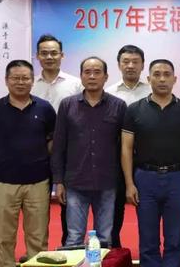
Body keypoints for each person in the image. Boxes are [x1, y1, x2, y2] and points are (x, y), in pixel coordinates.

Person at [122, 59, 180, 267]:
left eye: (167, 74)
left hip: (177, 179)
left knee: (174, 239)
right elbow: (126, 148)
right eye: (157, 74)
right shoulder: (134, 110)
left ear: (175, 79)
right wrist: (129, 183)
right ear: (149, 79)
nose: (162, 78)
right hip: (145, 179)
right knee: (148, 241)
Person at [0, 60, 56, 267]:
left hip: (38, 183)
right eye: (15, 78)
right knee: (4, 240)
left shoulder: (45, 108)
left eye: (25, 78)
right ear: (6, 80)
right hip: (3, 183)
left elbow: (52, 145)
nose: (20, 82)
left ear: (32, 81)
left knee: (38, 240)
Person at [51, 57, 126, 247]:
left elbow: (125, 147)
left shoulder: (118, 106)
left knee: (105, 239)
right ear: (81, 76)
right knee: (74, 237)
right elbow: (59, 145)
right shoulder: (67, 105)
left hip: (107, 182)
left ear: (106, 76)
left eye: (97, 72)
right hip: (75, 182)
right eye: (87, 72)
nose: (92, 76)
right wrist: (58, 181)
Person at [32, 34, 82, 247]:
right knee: (37, 206)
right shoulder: (30, 85)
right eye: (44, 53)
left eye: (54, 53)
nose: (49, 57)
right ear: (37, 56)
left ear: (62, 55)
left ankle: (68, 247)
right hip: (37, 153)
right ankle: (38, 249)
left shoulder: (76, 84)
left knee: (67, 204)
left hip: (67, 154)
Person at [106, 45, 151, 248]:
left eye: (135, 62)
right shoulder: (108, 93)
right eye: (126, 62)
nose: (130, 66)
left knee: (148, 207)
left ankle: (148, 249)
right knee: (115, 207)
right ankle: (113, 249)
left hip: (146, 158)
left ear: (142, 65)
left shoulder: (152, 91)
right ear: (119, 65)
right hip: (116, 158)